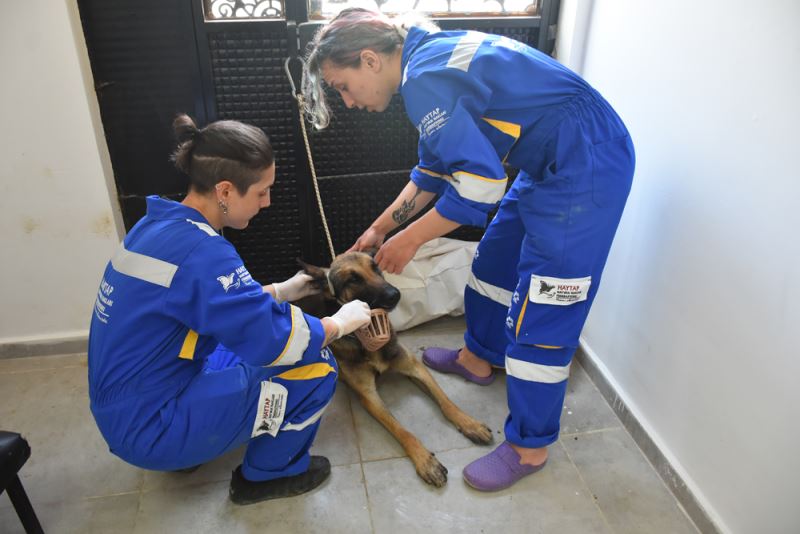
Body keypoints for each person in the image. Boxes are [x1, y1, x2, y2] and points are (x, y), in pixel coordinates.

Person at [303, 8, 634, 491]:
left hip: (585, 162)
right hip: (546, 160)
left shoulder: (424, 81)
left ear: (370, 60)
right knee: (493, 260)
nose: (348, 101)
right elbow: (434, 170)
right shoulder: (422, 60)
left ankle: (529, 446)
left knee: (544, 303)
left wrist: (409, 239)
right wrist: (378, 230)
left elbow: (481, 187)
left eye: (342, 86)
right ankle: (479, 356)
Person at [88, 114, 372, 504]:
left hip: (128, 404)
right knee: (317, 365)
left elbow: (207, 305)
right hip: (151, 427)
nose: (267, 202)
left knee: (240, 343)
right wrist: (338, 324)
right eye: (261, 192)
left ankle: (186, 451)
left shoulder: (156, 226)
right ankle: (268, 475)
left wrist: (278, 292)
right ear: (224, 190)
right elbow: (276, 341)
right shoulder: (205, 252)